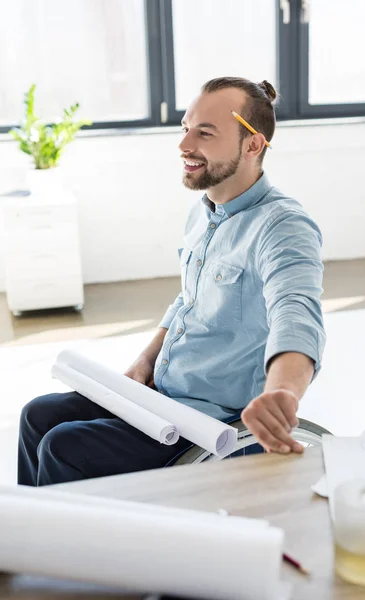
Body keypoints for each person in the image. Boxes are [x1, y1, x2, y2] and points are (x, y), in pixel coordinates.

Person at [18, 77, 326, 486]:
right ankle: (32, 535)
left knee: (64, 446)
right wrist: (146, 360)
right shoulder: (203, 213)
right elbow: (188, 300)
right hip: (163, 395)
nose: (184, 145)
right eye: (185, 128)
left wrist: (283, 392)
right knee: (37, 415)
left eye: (205, 133)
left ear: (253, 145)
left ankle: (71, 546)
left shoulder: (283, 227)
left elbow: (297, 313)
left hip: (210, 422)